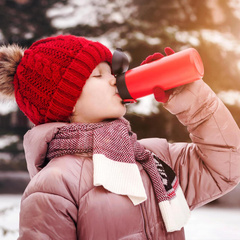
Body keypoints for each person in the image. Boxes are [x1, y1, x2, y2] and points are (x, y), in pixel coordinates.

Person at [0, 34, 239, 240]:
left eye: (112, 71)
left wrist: (191, 98)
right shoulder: (54, 185)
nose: (114, 79)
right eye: (98, 75)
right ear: (66, 102)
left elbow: (226, 164)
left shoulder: (152, 159)